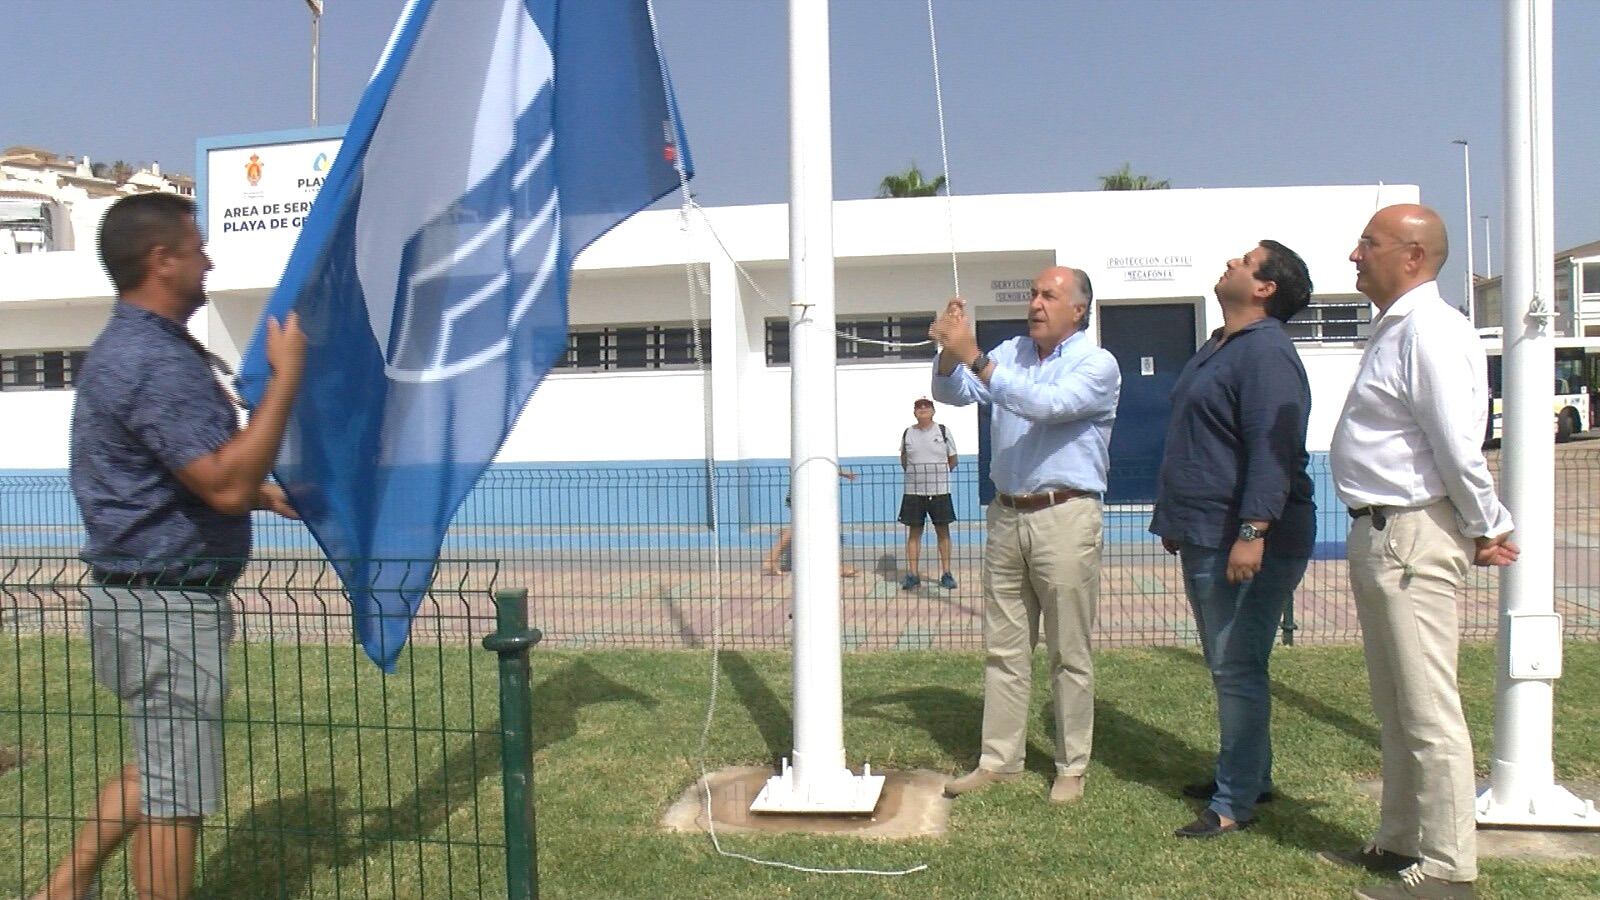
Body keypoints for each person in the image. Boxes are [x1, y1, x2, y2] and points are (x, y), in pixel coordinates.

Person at [33, 193, 306, 900]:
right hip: (163, 609)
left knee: (158, 765)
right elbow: (219, 483)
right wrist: (285, 383)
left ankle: (65, 888)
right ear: (163, 260)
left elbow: (191, 469)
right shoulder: (152, 360)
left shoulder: (139, 349)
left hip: (142, 602)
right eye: (197, 247)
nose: (208, 260)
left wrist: (269, 493)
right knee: (174, 796)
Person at [1322, 204, 1517, 900]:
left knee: (1429, 707)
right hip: (1383, 532)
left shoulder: (1430, 331)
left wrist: (1487, 523)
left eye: (1368, 243)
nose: (1354, 253)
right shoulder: (1398, 329)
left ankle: (1447, 867)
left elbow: (1457, 446)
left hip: (1408, 533)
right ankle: (1402, 839)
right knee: (1396, 702)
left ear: (1412, 256)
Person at [931, 265, 1120, 804]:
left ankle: (1071, 765)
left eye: (1049, 295)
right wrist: (949, 348)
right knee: (1004, 647)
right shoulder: (1011, 351)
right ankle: (999, 761)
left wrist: (974, 355)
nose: (1035, 303)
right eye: (1033, 293)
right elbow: (952, 392)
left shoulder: (1096, 364)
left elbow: (1046, 405)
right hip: (1007, 514)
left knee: (1068, 650)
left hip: (1065, 514)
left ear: (1078, 309)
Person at [1149, 241, 1316, 838]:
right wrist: (1176, 519)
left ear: (1265, 287)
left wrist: (1253, 531)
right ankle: (1251, 775)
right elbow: (1200, 442)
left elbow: (1273, 450)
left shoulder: (1267, 353)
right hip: (1206, 530)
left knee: (1236, 668)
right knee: (1235, 665)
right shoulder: (1221, 345)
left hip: (1244, 536)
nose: (1230, 263)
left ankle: (1233, 802)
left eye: (1245, 261)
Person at [898, 397, 959, 591]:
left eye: (926, 407)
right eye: (919, 407)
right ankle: (913, 574)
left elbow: (953, 459)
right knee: (914, 533)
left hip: (939, 491)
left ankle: (947, 573)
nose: (923, 409)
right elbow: (904, 460)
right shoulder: (908, 433)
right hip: (913, 492)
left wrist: (938, 477)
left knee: (943, 532)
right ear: (914, 412)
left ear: (933, 411)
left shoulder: (942, 431)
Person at [762, 469, 861, 578]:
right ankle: (833, 567)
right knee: (815, 525)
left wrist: (841, 473)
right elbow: (817, 460)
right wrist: (841, 472)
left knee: (801, 525)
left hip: (806, 484)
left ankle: (772, 559)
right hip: (808, 486)